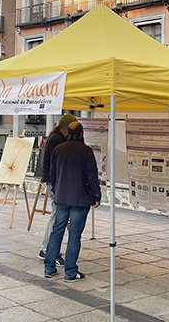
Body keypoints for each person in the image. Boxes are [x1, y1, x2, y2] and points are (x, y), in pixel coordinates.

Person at [44, 121, 101, 282]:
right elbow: (92, 176)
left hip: (61, 197)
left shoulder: (58, 150)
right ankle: (70, 271)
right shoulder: (86, 151)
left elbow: (52, 174)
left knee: (57, 232)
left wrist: (56, 190)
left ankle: (49, 267)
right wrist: (97, 195)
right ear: (82, 134)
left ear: (67, 132)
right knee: (74, 235)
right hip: (80, 199)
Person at [38, 114, 77, 265]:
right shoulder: (57, 140)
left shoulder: (54, 137)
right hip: (55, 183)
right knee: (56, 217)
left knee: (56, 216)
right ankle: (48, 250)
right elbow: (58, 164)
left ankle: (48, 249)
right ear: (67, 127)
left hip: (53, 182)